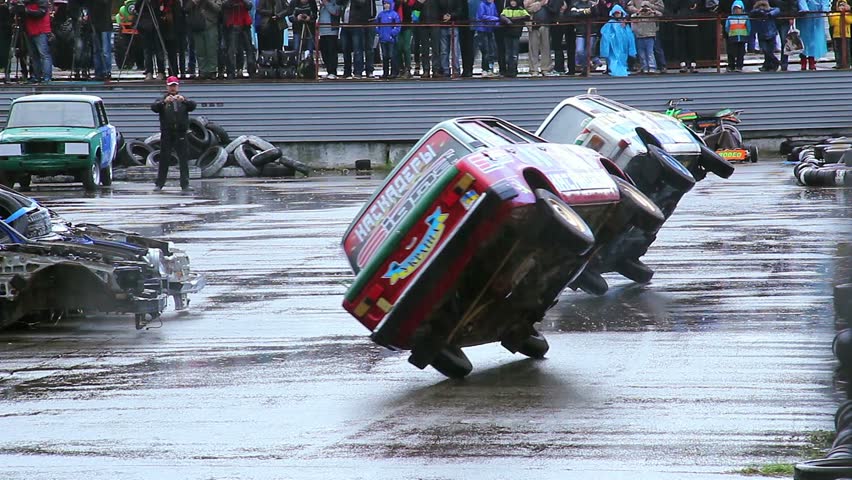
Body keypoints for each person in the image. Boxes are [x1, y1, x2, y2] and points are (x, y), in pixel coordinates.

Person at [151, 76, 196, 192]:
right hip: (167, 133)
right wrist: (163, 102)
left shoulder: (183, 100)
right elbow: (154, 107)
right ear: (167, 86)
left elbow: (193, 105)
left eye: (175, 86)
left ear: (178, 86)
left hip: (181, 133)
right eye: (171, 86)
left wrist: (184, 100)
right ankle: (159, 184)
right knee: (164, 159)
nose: (173, 88)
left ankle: (185, 184)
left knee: (183, 159)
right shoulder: (162, 99)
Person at [185, 0, 222, 79]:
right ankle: (202, 71)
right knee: (200, 50)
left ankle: (212, 71)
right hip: (197, 25)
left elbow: (218, 9)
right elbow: (186, 9)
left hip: (211, 25)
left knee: (211, 50)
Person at [599, 4, 635, 75]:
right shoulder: (610, 22)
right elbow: (605, 33)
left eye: (618, 13)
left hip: (623, 44)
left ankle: (623, 66)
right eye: (616, 13)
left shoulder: (624, 23)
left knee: (622, 56)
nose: (617, 14)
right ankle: (611, 68)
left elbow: (629, 35)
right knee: (613, 57)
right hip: (613, 45)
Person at [224, 0, 256, 78]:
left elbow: (249, 6)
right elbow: (225, 5)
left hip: (245, 24)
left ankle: (251, 71)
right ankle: (231, 71)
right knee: (232, 49)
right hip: (233, 24)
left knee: (249, 48)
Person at [628, 0, 660, 73]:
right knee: (641, 53)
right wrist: (638, 11)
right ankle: (644, 67)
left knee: (650, 53)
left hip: (650, 35)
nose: (644, 9)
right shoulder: (637, 15)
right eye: (643, 7)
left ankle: (652, 67)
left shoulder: (652, 14)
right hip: (639, 35)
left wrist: (652, 11)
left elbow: (660, 14)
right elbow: (632, 17)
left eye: (646, 7)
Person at [524, 0, 555, 75]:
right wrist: (538, 4)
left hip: (545, 23)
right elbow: (526, 6)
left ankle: (545, 68)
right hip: (533, 24)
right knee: (533, 48)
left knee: (546, 47)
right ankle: (534, 69)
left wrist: (539, 4)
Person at [797, 0, 830, 70]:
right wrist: (804, 8)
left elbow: (825, 1)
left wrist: (825, 8)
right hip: (803, 17)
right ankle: (803, 62)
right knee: (803, 39)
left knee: (814, 39)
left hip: (817, 15)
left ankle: (812, 61)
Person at [499, 0, 528, 76]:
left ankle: (514, 69)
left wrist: (516, 19)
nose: (513, 3)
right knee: (508, 53)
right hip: (507, 33)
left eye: (514, 1)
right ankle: (509, 69)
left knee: (514, 53)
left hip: (516, 33)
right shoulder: (506, 9)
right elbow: (502, 16)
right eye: (511, 1)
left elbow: (527, 16)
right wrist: (508, 20)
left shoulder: (521, 9)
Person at [673, 0, 703, 73]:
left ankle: (693, 64)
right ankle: (683, 64)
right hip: (681, 23)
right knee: (682, 44)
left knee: (693, 45)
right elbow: (675, 7)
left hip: (693, 23)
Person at [750, 0, 780, 71]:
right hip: (761, 34)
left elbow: (777, 10)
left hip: (771, 34)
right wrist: (759, 11)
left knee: (770, 51)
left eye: (763, 6)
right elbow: (751, 13)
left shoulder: (771, 11)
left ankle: (769, 66)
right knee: (765, 50)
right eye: (760, 6)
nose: (762, 7)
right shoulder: (756, 13)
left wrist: (769, 13)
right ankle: (775, 62)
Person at [551, 0, 576, 75]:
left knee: (565, 46)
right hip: (561, 20)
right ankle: (563, 68)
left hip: (564, 20)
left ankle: (566, 68)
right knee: (559, 45)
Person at [90, 0, 113, 81]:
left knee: (105, 50)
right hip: (95, 23)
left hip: (105, 24)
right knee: (96, 51)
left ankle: (106, 71)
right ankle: (98, 72)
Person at [376, 0, 401, 77]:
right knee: (384, 56)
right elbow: (377, 25)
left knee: (392, 56)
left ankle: (394, 72)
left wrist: (392, 34)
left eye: (388, 4)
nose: (386, 5)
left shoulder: (394, 15)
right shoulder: (380, 15)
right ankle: (385, 72)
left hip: (391, 39)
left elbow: (398, 26)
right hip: (383, 38)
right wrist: (379, 33)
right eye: (385, 4)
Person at [770, 0, 796, 70]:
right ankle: (772, 61)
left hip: (785, 18)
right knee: (769, 41)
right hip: (773, 17)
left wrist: (791, 16)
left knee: (784, 42)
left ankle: (784, 63)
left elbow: (793, 4)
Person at [475, 0, 499, 75]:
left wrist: (497, 23)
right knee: (485, 50)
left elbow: (496, 14)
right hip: (482, 30)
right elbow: (482, 16)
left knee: (492, 50)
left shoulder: (493, 5)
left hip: (490, 29)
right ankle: (485, 69)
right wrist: (494, 19)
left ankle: (490, 68)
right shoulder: (482, 4)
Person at [724, 0, 750, 71]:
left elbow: (748, 27)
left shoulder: (745, 17)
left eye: (738, 9)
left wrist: (747, 34)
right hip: (733, 37)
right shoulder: (730, 17)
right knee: (731, 52)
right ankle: (731, 65)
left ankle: (739, 66)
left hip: (742, 37)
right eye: (735, 9)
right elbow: (727, 27)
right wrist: (729, 33)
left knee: (741, 53)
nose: (737, 10)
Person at [319, 0, 341, 77]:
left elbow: (336, 12)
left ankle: (333, 71)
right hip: (322, 32)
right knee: (324, 52)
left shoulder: (336, 2)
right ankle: (328, 70)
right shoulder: (322, 5)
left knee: (332, 51)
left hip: (332, 31)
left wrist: (326, 3)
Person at [829, 0, 851, 67]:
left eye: (843, 5)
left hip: (846, 34)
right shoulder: (834, 14)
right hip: (836, 35)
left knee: (846, 49)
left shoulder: (848, 14)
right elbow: (832, 22)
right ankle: (838, 63)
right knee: (837, 49)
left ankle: (847, 63)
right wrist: (839, 15)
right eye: (840, 5)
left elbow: (849, 21)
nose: (841, 7)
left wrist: (844, 15)